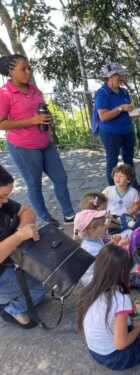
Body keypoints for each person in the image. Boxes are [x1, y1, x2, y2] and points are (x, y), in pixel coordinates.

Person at [0, 54, 75, 227]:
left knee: (61, 177)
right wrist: (33, 121)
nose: (28, 71)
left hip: (45, 143)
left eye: (29, 67)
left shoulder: (34, 90)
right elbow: (1, 123)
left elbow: (40, 113)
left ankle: (69, 214)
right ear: (11, 72)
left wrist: (47, 119)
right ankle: (45, 218)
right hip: (23, 147)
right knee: (34, 184)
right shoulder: (5, 93)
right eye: (23, 69)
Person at [77, 244, 140, 370]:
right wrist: (138, 327)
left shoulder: (91, 287)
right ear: (123, 273)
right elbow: (121, 344)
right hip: (117, 358)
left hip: (95, 352)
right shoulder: (120, 299)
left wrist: (135, 316)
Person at [0, 165, 45, 329]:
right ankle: (11, 309)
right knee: (41, 287)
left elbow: (27, 212)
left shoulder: (2, 202)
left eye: (7, 196)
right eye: (2, 196)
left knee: (46, 271)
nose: (5, 201)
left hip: (10, 260)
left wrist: (22, 229)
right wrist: (18, 237)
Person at [95, 62, 137, 186]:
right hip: (110, 133)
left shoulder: (124, 92)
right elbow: (103, 116)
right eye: (119, 76)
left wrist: (132, 111)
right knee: (112, 162)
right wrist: (120, 108)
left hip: (127, 130)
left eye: (121, 76)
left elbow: (126, 109)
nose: (122, 79)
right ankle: (113, 188)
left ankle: (132, 184)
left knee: (129, 160)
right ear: (110, 77)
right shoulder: (102, 93)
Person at [73, 209, 128, 285]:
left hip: (99, 271)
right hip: (95, 280)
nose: (105, 226)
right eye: (102, 224)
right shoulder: (90, 248)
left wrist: (112, 242)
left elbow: (103, 249)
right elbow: (106, 257)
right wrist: (119, 245)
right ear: (92, 230)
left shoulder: (94, 239)